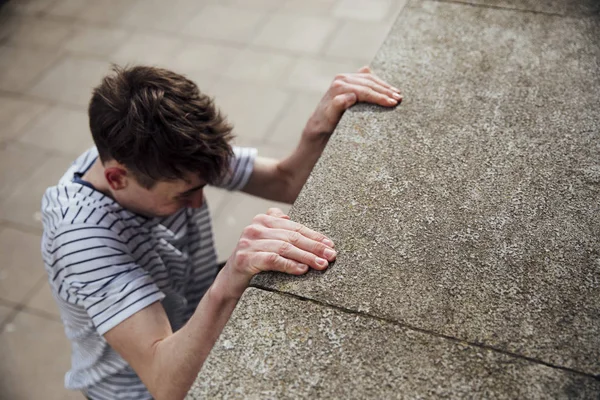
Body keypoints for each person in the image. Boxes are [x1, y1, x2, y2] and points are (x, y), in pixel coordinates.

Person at [40, 64, 402, 400]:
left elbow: (286, 181)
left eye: (205, 185)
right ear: (117, 178)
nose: (199, 203)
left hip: (189, 317)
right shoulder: (84, 238)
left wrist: (317, 129)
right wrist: (229, 279)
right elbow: (165, 381)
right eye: (184, 194)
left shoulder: (165, 154)